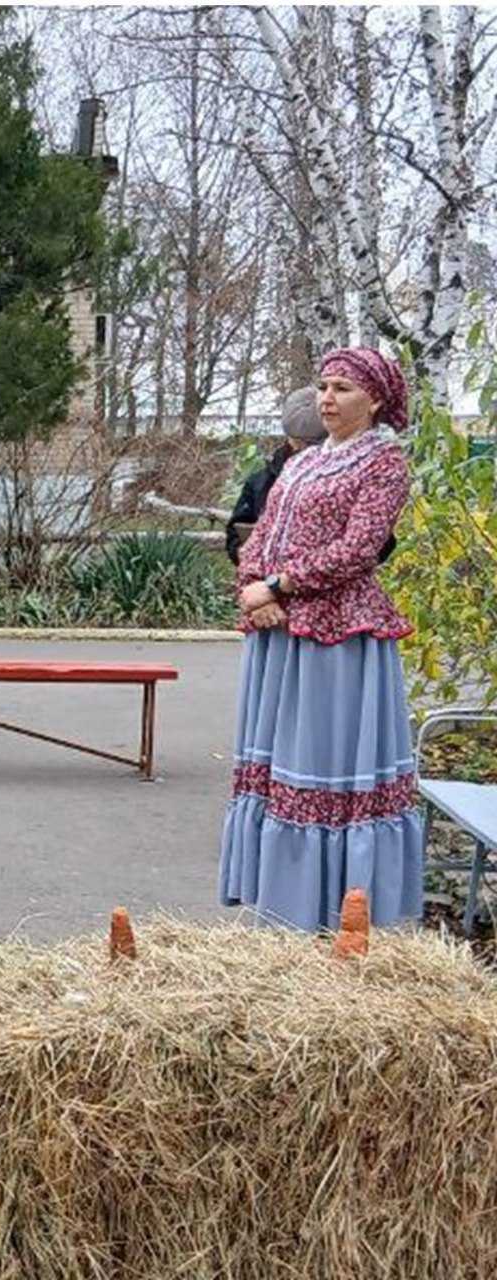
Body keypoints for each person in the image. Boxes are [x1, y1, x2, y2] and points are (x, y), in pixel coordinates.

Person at [219, 347, 422, 932]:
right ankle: (282, 900)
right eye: (324, 386)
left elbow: (359, 551)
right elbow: (261, 532)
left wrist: (278, 585)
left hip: (338, 634)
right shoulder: (305, 460)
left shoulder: (384, 463)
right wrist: (255, 589)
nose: (327, 399)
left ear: (375, 400)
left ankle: (335, 905)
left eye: (343, 389)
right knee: (279, 759)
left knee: (321, 759)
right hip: (279, 631)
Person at [224, 387, 327, 564]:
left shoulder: (344, 480)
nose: (305, 452)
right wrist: (245, 553)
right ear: (290, 438)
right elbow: (235, 534)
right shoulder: (261, 481)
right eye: (300, 441)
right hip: (263, 575)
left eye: (312, 443)